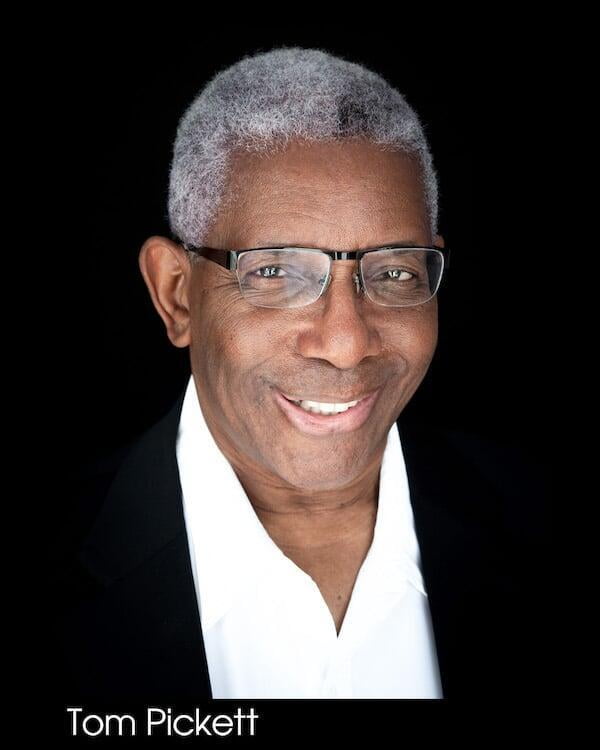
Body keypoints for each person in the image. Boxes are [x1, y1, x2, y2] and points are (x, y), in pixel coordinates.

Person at [56, 46, 548, 701]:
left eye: (394, 272)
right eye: (276, 272)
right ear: (177, 294)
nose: (345, 344)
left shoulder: (540, 522)